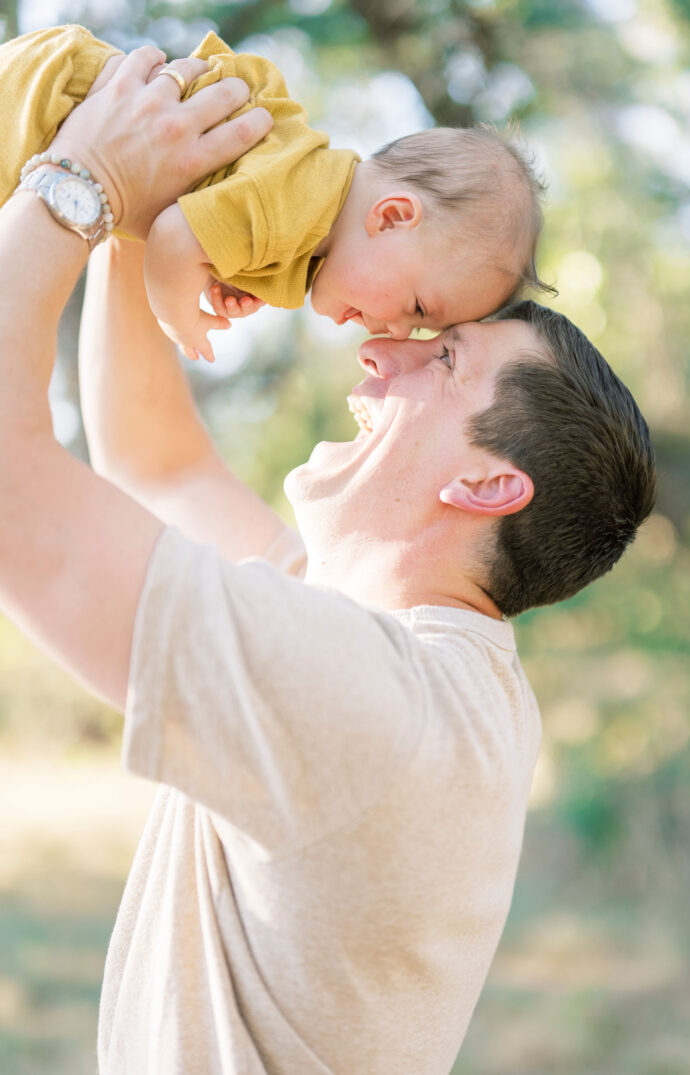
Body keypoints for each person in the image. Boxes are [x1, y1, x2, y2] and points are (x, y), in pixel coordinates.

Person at [0, 47, 655, 1075]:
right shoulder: (421, 665)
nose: (378, 347)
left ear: (487, 485)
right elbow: (154, 461)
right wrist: (158, 211)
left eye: (440, 354)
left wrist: (81, 183)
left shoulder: (371, 709)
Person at [0, 24, 547, 362]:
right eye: (418, 308)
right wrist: (177, 315)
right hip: (48, 105)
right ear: (393, 216)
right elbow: (171, 234)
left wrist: (222, 262)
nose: (399, 332)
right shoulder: (302, 204)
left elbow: (197, 209)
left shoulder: (306, 218)